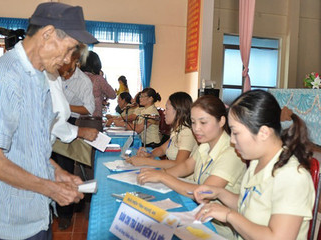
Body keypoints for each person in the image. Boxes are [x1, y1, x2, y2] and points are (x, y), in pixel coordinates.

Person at [0, 3, 98, 239]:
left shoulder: (41, 77)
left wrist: (57, 172)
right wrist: (51, 188)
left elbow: (32, 147)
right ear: (48, 34)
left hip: (36, 212)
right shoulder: (4, 78)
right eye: (70, 48)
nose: (67, 59)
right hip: (9, 220)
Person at [193, 90, 315, 240]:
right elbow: (249, 204)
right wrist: (219, 193)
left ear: (263, 132)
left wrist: (229, 215)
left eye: (236, 133)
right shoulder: (258, 162)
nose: (232, 140)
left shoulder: (292, 177)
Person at [137, 95, 246, 239]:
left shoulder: (231, 153)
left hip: (219, 229)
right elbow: (185, 167)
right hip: (199, 214)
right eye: (193, 122)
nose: (196, 129)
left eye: (203, 122)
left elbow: (204, 193)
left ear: (221, 121)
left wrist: (162, 176)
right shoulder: (206, 144)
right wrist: (157, 173)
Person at [46, 45, 98, 230]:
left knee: (65, 168)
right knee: (46, 168)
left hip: (69, 124)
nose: (68, 66)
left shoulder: (83, 81)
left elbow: (88, 108)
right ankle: (48, 209)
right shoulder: (50, 74)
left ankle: (65, 214)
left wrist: (66, 107)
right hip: (49, 128)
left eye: (73, 62)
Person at [126, 92, 197, 169]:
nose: (164, 112)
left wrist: (146, 161)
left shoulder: (187, 133)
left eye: (167, 109)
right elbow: (162, 149)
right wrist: (149, 154)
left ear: (178, 111)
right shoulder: (177, 129)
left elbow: (179, 164)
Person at [81, 51, 116, 117]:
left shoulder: (76, 78)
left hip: (77, 120)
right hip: (94, 119)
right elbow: (113, 95)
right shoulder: (98, 79)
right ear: (96, 63)